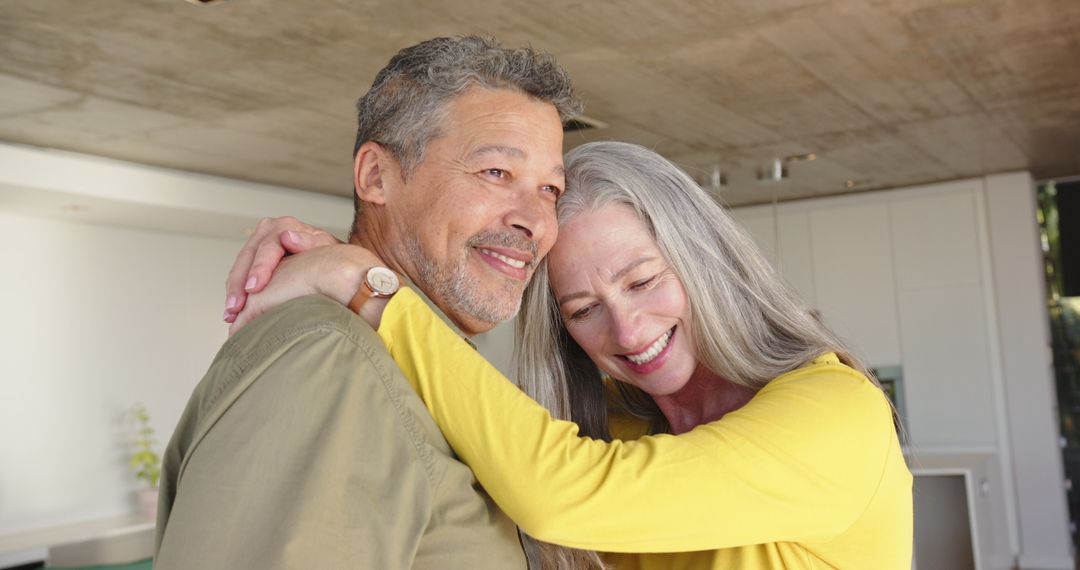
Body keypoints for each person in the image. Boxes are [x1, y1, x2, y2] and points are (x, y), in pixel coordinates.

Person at [226, 142, 914, 569]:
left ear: (707, 263)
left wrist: (365, 283)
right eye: (582, 310)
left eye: (643, 281)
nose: (627, 327)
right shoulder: (622, 427)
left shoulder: (837, 415)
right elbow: (492, 446)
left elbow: (559, 492)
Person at [154, 35, 581, 569]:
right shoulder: (328, 358)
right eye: (496, 173)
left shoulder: (429, 366)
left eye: (550, 190)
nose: (537, 221)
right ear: (376, 176)